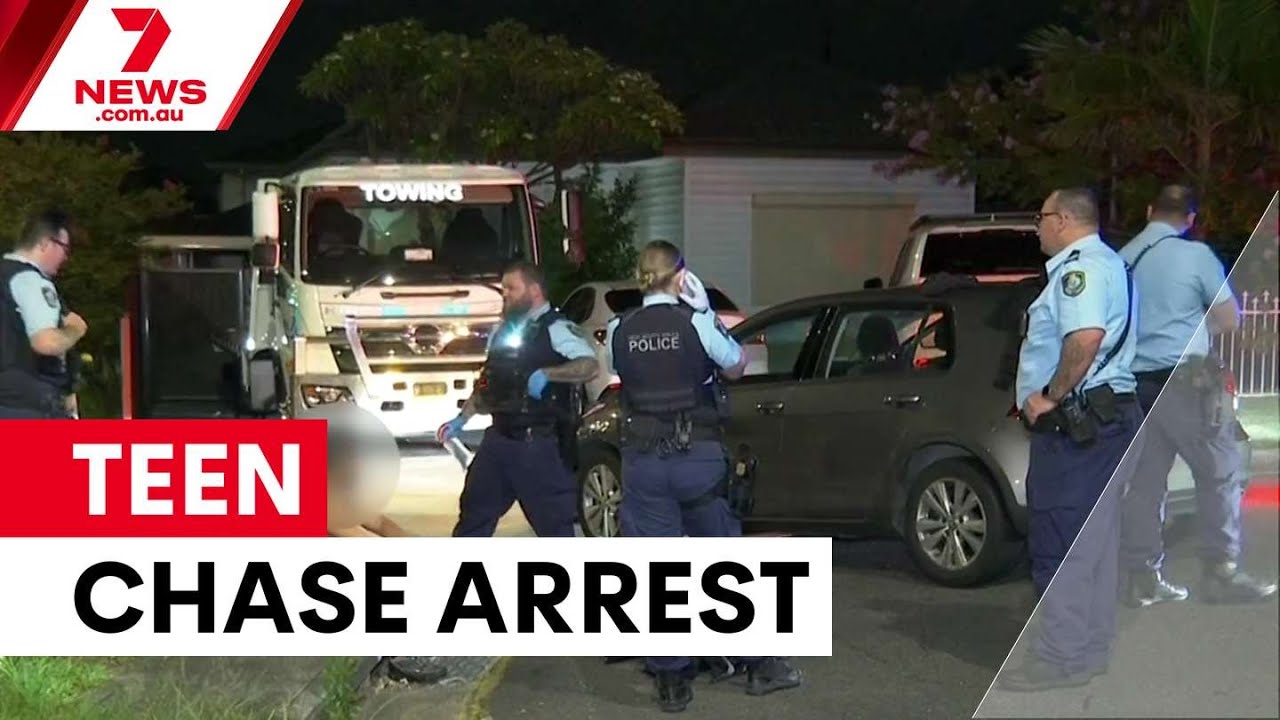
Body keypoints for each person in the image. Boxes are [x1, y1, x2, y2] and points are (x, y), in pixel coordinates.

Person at [604, 240, 802, 712]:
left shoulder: (618, 328)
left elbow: (620, 371)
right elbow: (735, 366)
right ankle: (757, 665)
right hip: (697, 457)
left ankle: (672, 680)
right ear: (681, 276)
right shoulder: (696, 322)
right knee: (723, 563)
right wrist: (707, 311)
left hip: (644, 463)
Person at [999, 188, 1143, 692]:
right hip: (1111, 419)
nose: (1036, 228)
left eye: (1040, 218)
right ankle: (1087, 651)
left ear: (1062, 220)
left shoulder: (1079, 269)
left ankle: (1059, 658)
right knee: (1096, 546)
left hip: (1080, 428)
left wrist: (1048, 397)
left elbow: (1084, 340)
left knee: (1060, 542)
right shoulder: (1114, 264)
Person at [1118, 184, 1277, 605]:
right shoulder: (1195, 256)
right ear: (1190, 219)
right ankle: (1220, 572)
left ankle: (1143, 577)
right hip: (1184, 384)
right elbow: (1228, 319)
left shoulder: (1124, 259)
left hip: (1134, 386)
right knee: (1220, 471)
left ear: (1150, 210)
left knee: (1145, 484)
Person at [437, 260, 599, 537]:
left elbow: (590, 366)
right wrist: (462, 418)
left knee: (554, 528)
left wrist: (549, 374)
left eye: (511, 288)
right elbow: (488, 381)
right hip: (498, 440)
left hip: (539, 444)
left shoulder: (557, 328)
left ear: (534, 290)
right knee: (473, 516)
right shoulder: (502, 332)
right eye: (503, 290)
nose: (505, 295)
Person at [0, 210, 87, 419]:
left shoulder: (5, 276)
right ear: (45, 243)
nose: (66, 257)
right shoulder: (29, 280)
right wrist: (76, 329)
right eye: (65, 249)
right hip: (27, 406)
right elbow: (46, 342)